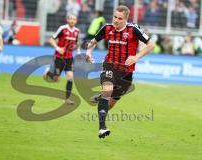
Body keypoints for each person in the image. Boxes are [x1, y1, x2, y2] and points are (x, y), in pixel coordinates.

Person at [86, 5, 154, 138]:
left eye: (119, 18)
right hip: (109, 65)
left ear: (126, 19)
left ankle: (102, 101)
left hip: (126, 72)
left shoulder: (133, 29)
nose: (116, 20)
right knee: (107, 92)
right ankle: (102, 128)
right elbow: (92, 42)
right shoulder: (107, 28)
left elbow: (151, 44)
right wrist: (88, 52)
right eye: (115, 17)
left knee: (111, 102)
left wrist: (136, 57)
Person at [43, 14, 80, 105]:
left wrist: (78, 52)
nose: (72, 21)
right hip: (59, 57)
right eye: (70, 19)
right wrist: (58, 48)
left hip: (69, 58)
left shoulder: (77, 31)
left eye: (74, 19)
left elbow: (77, 43)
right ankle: (48, 72)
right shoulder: (62, 29)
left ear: (76, 21)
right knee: (56, 78)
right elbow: (51, 39)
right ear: (67, 20)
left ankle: (67, 99)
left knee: (70, 77)